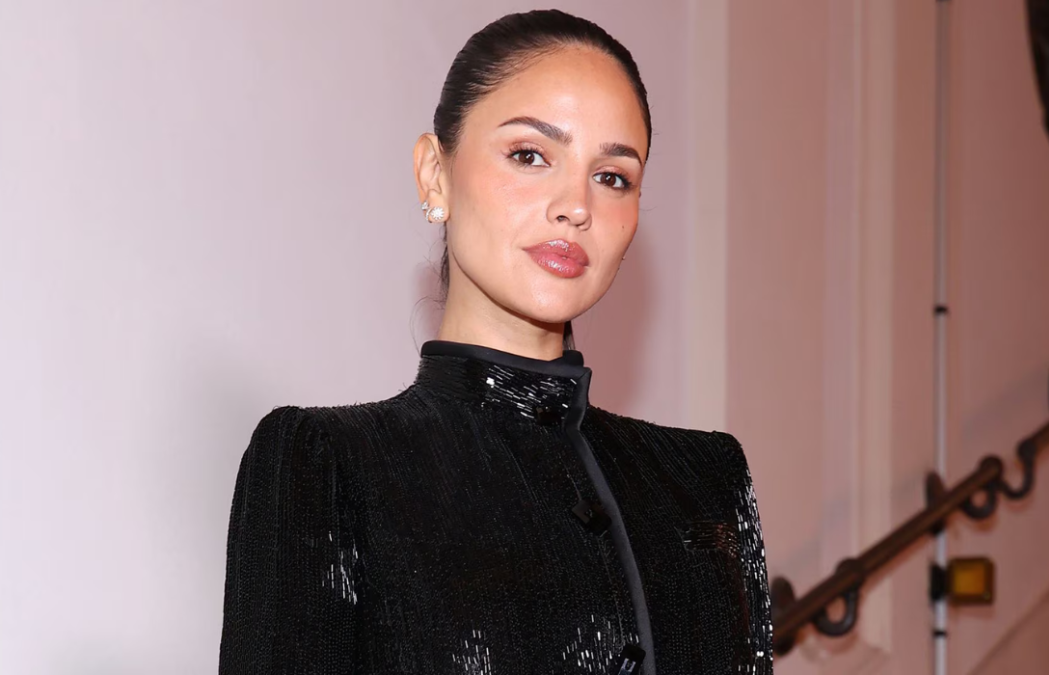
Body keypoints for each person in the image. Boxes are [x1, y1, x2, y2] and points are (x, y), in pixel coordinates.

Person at [218, 9, 772, 674]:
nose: (577, 205)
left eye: (612, 176)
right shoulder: (327, 465)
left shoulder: (706, 480)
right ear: (435, 174)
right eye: (530, 155)